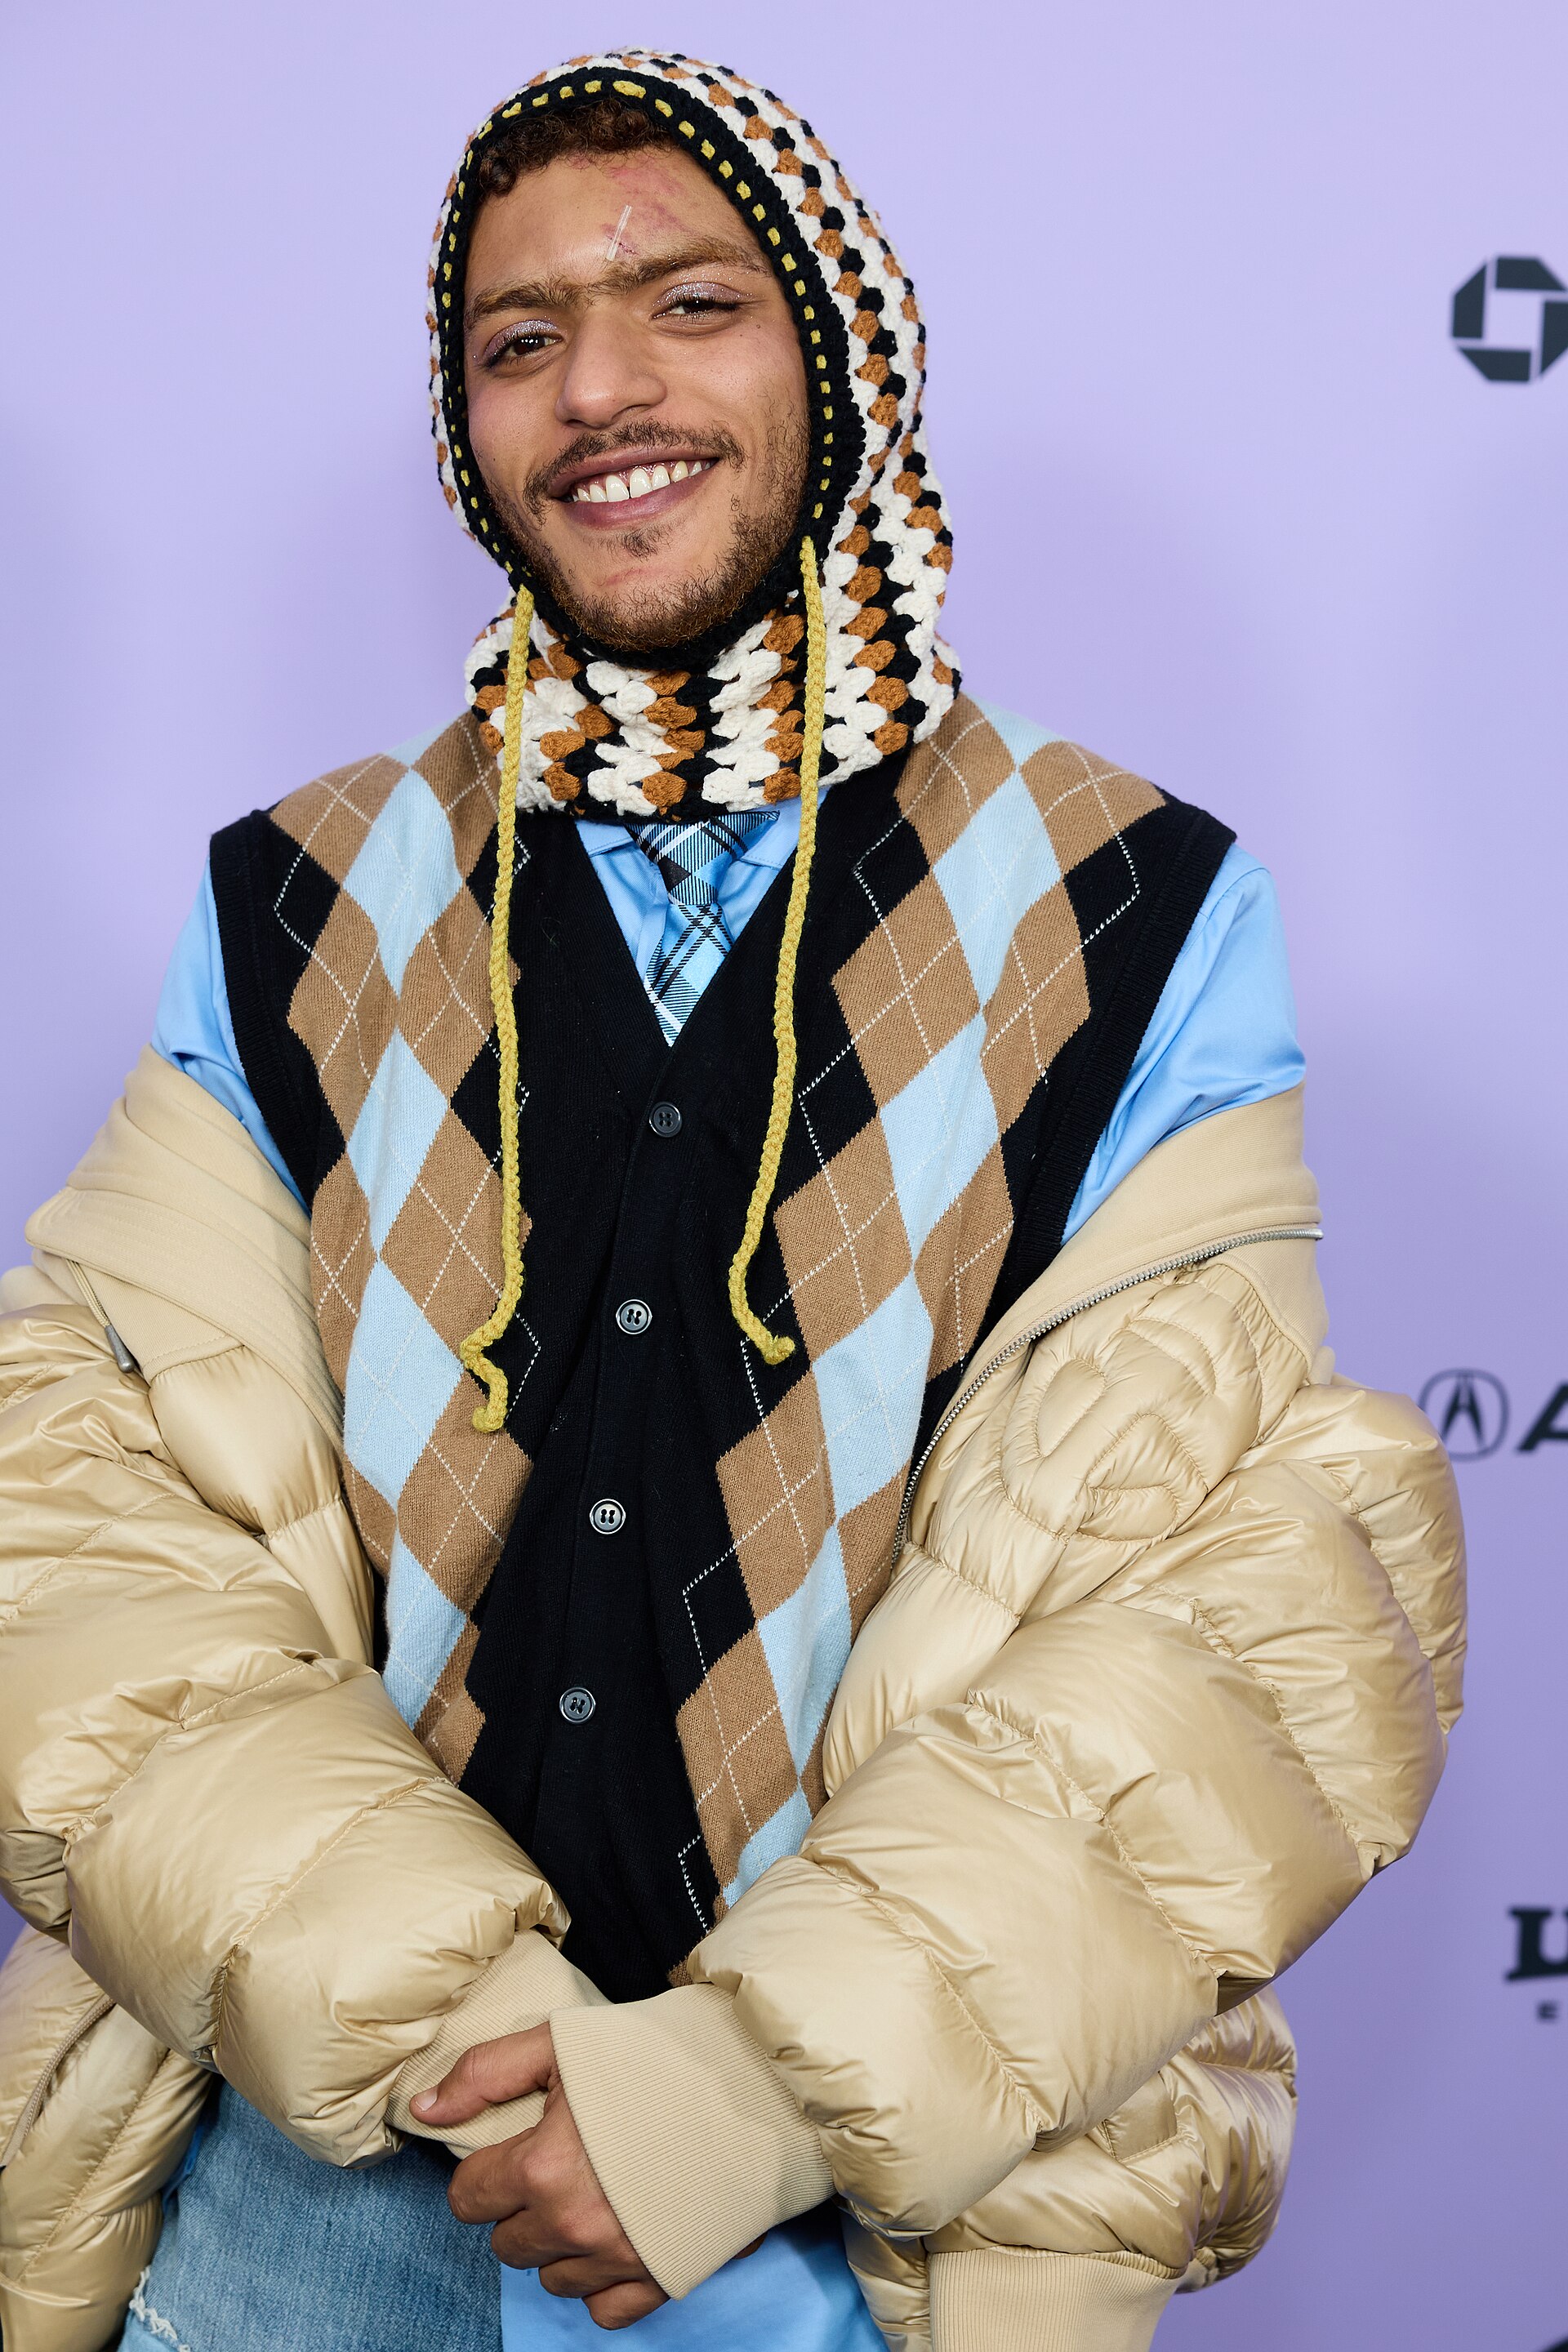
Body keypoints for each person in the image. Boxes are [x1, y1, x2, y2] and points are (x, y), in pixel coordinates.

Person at [0, 47, 1465, 2352]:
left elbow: (1220, 1605)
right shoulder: (299, 896)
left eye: (690, 302)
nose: (599, 388)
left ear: (842, 357)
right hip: (313, 2194)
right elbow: (78, 1522)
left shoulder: (1137, 902)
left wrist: (739, 2098)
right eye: (518, 338)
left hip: (852, 2228)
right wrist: (460, 2018)